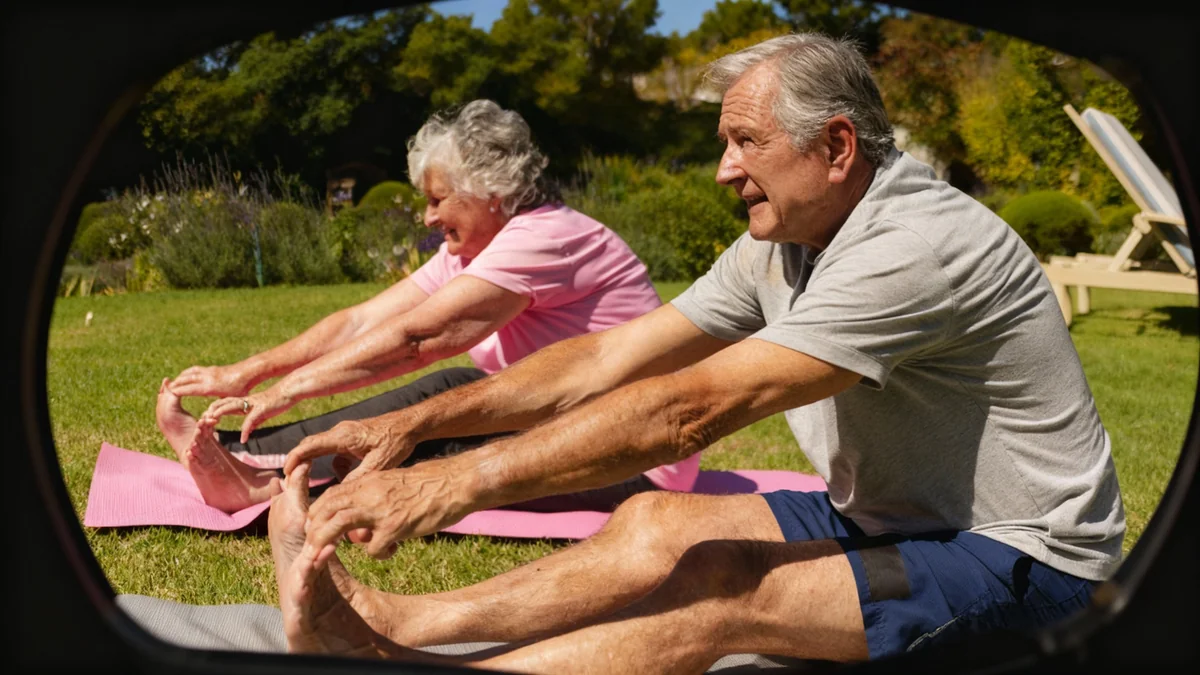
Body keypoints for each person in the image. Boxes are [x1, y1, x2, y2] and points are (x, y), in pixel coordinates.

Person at [268, 33, 1125, 670]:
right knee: (650, 521)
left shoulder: (913, 244)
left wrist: (454, 481)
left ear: (835, 147)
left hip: (1023, 557)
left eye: (745, 142)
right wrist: (413, 426)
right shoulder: (783, 240)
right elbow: (608, 359)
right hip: (890, 515)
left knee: (724, 583)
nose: (723, 168)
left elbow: (688, 408)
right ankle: (396, 626)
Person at [154, 99, 697, 513]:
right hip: (551, 427)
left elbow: (418, 340)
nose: (427, 218)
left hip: (628, 464)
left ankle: (262, 481)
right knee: (454, 398)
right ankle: (240, 455)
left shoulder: (546, 238)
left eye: (438, 199)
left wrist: (284, 391)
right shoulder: (474, 249)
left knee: (446, 403)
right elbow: (364, 320)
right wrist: (245, 374)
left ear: (489, 191)